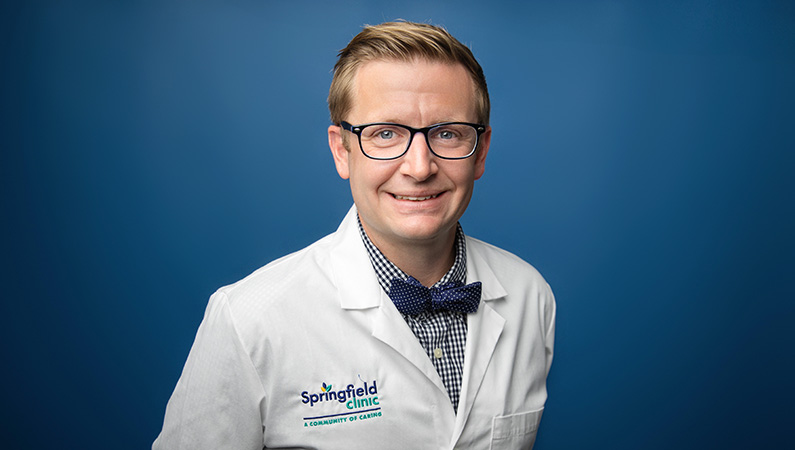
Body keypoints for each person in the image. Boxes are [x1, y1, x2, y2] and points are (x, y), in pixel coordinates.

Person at [154, 21, 555, 450]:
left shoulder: (529, 297)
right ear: (341, 151)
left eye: (447, 133)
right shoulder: (249, 320)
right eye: (386, 134)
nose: (419, 168)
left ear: (481, 151)